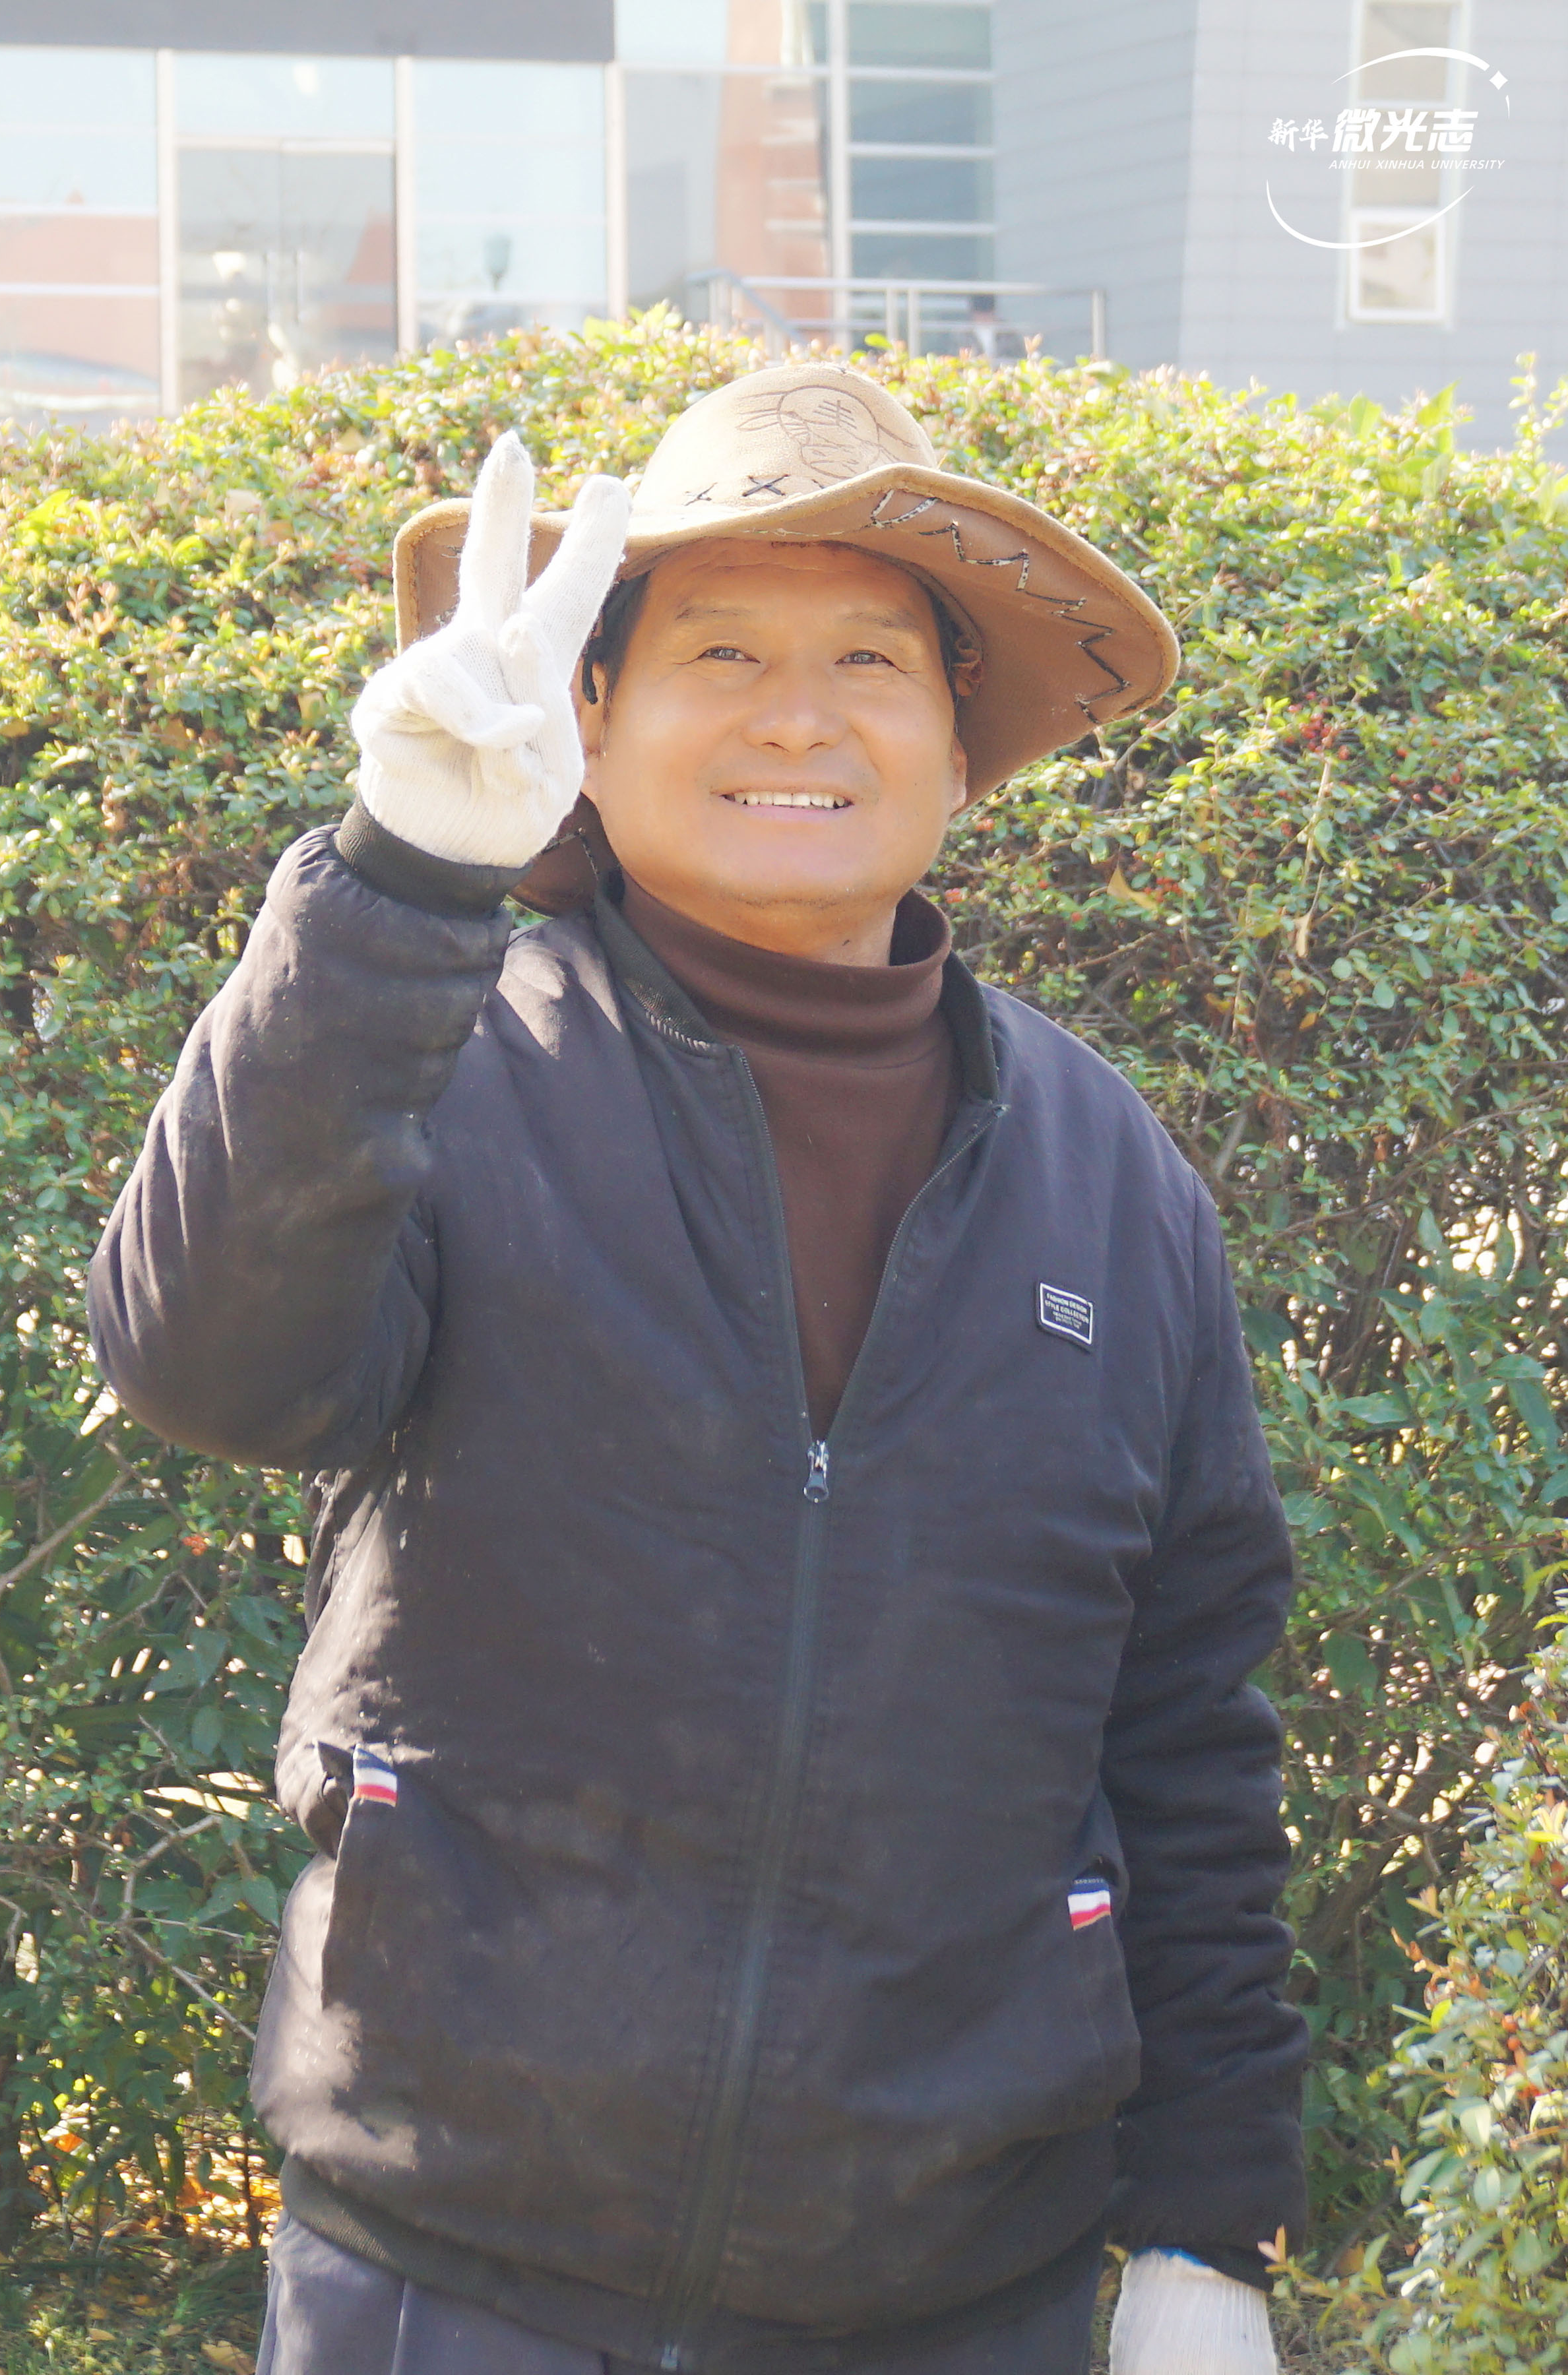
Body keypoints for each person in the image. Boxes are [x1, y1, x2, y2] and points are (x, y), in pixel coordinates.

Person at [88, 361, 1307, 2375]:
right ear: (591, 714)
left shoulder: (1112, 1184)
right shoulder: (446, 1062)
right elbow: (204, 1364)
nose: (797, 717)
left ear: (958, 740)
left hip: (955, 2301)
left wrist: (1206, 2228)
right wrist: (401, 877)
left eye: (869, 661)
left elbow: (1187, 1733)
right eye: (721, 650)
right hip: (448, 2268)